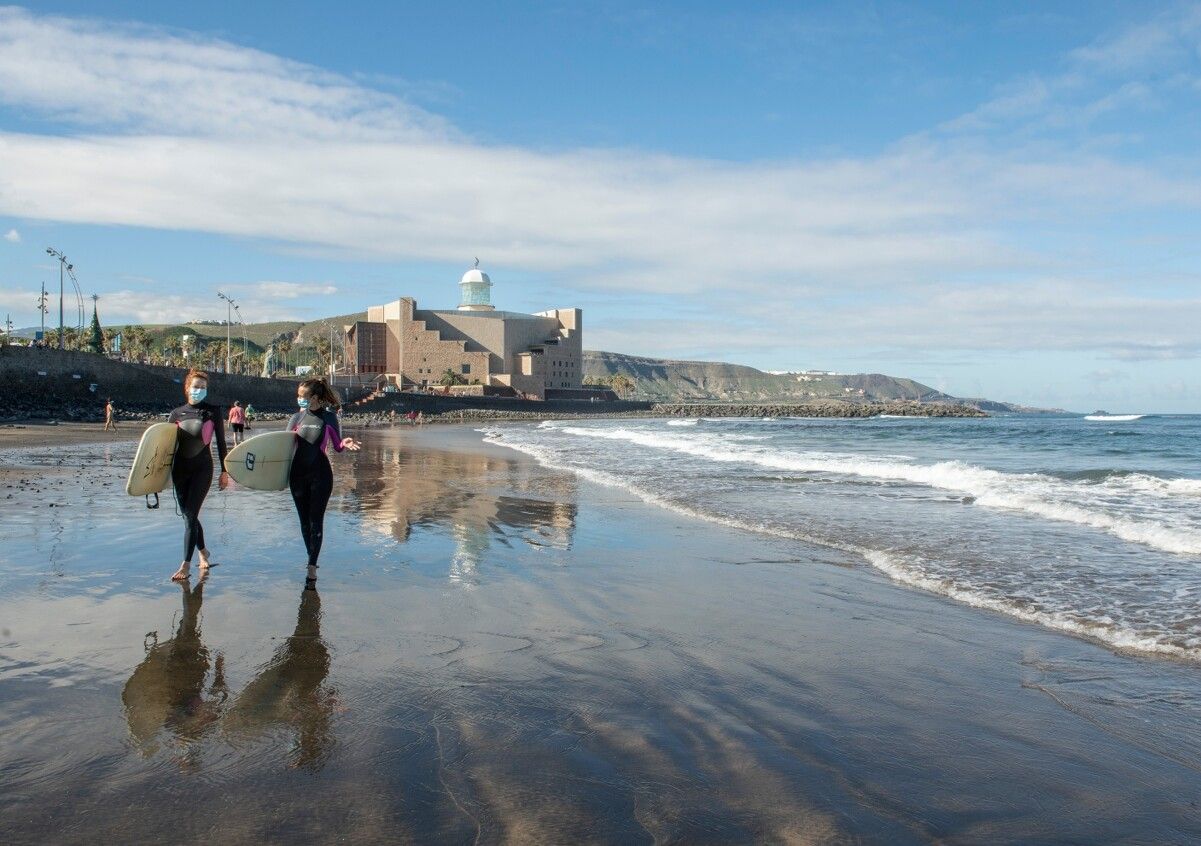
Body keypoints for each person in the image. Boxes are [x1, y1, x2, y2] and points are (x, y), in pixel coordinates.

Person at [287, 379, 360, 589]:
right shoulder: (295, 419)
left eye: (303, 396)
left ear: (315, 398)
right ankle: (311, 555)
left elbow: (336, 446)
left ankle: (312, 565)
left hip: (321, 475)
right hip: (297, 477)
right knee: (303, 523)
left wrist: (344, 442)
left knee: (315, 521)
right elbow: (284, 449)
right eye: (298, 396)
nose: (299, 399)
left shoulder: (328, 418)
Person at [167, 369, 229, 581]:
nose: (199, 390)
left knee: (191, 515)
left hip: (202, 469)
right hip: (179, 470)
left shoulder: (213, 411)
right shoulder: (176, 414)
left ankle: (185, 565)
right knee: (189, 517)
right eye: (196, 386)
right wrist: (157, 476)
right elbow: (165, 448)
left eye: (203, 387)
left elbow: (221, 443)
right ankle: (204, 553)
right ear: (187, 387)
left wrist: (224, 471)